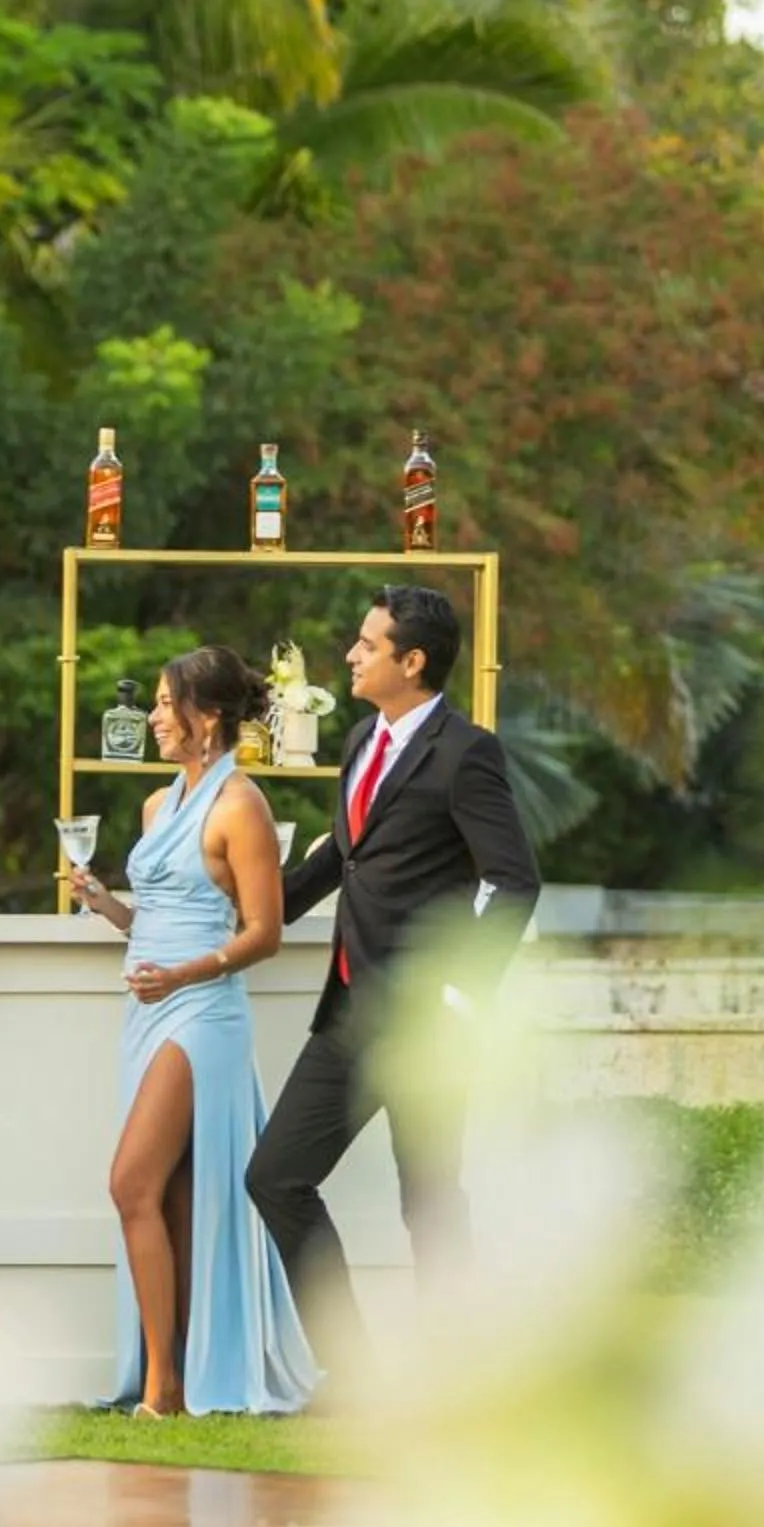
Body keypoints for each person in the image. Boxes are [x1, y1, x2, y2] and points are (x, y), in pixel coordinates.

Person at [243, 586, 539, 1371]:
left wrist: (458, 994)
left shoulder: (467, 753)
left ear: (412, 662)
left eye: (368, 645)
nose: (350, 655)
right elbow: (343, 858)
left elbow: (513, 880)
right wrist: (254, 908)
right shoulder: (357, 742)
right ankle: (354, 1376)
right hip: (349, 1014)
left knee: (429, 1203)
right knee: (275, 1177)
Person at [67, 648, 318, 1416]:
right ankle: (172, 1369)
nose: (152, 717)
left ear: (205, 717)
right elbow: (157, 920)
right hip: (147, 1008)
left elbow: (264, 933)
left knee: (129, 1182)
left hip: (203, 1013)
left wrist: (181, 976)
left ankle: (163, 1386)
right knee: (170, 1194)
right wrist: (105, 904)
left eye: (163, 702)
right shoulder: (158, 805)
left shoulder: (240, 806)